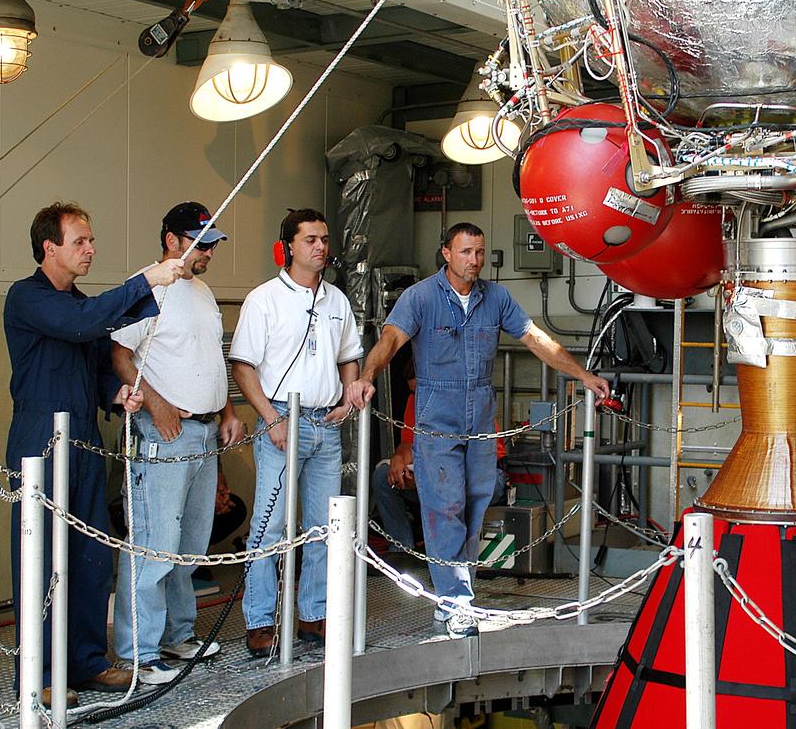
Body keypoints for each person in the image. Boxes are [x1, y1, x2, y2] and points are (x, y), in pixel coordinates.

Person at [346, 222, 610, 638]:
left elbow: (536, 338)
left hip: (481, 418)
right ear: (446, 253)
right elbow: (391, 339)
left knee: (474, 505)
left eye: (480, 252)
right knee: (444, 506)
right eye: (466, 252)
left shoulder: (496, 297)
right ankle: (458, 602)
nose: (475, 261)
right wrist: (368, 374)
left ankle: (449, 601)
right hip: (437, 418)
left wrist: (582, 375)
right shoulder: (421, 297)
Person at [3, 202, 185, 705]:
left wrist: (117, 394)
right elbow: (83, 324)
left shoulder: (82, 304)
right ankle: (35, 676)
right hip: (39, 438)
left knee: (90, 555)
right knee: (37, 558)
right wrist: (147, 278)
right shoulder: (27, 298)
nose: (90, 249)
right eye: (80, 241)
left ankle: (84, 662)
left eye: (91, 240)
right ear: (50, 248)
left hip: (83, 437)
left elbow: (98, 366)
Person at [109, 202, 245, 684]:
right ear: (171, 240)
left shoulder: (203, 292)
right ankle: (137, 651)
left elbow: (214, 357)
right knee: (154, 542)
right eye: (199, 241)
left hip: (204, 429)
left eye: (211, 242)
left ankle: (176, 634)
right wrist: (154, 403)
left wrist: (227, 411)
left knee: (190, 542)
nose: (208, 250)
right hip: (165, 431)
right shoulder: (147, 286)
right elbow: (121, 353)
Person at [230, 208, 363, 656]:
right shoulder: (264, 299)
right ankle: (260, 621)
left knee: (325, 528)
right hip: (281, 426)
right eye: (310, 240)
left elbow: (349, 354)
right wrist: (271, 418)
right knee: (270, 529)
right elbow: (244, 366)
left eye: (325, 239)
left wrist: (348, 397)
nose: (321, 247)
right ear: (288, 246)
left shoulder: (336, 300)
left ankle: (314, 614)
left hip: (327, 424)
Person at [370, 369, 507, 561]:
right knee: (383, 478)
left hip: (484, 477)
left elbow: (474, 462)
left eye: (422, 391)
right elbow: (408, 444)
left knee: (451, 490)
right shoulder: (416, 400)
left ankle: (451, 560)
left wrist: (430, 477)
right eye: (413, 393)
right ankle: (402, 552)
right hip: (435, 475)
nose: (418, 397)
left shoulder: (466, 399)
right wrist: (399, 460)